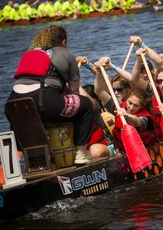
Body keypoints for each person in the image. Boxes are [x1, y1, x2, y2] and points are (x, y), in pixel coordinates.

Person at [5, 25, 95, 164]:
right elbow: (75, 92)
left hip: (13, 105)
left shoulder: (31, 53)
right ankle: (81, 154)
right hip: (43, 102)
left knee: (31, 120)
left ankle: (36, 162)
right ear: (63, 42)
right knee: (86, 106)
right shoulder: (66, 53)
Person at [113, 88, 157, 152]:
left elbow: (138, 122)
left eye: (136, 105)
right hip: (123, 150)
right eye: (130, 103)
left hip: (144, 151)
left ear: (141, 107)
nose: (131, 108)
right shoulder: (120, 105)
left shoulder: (145, 117)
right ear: (127, 99)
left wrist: (127, 115)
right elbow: (99, 92)